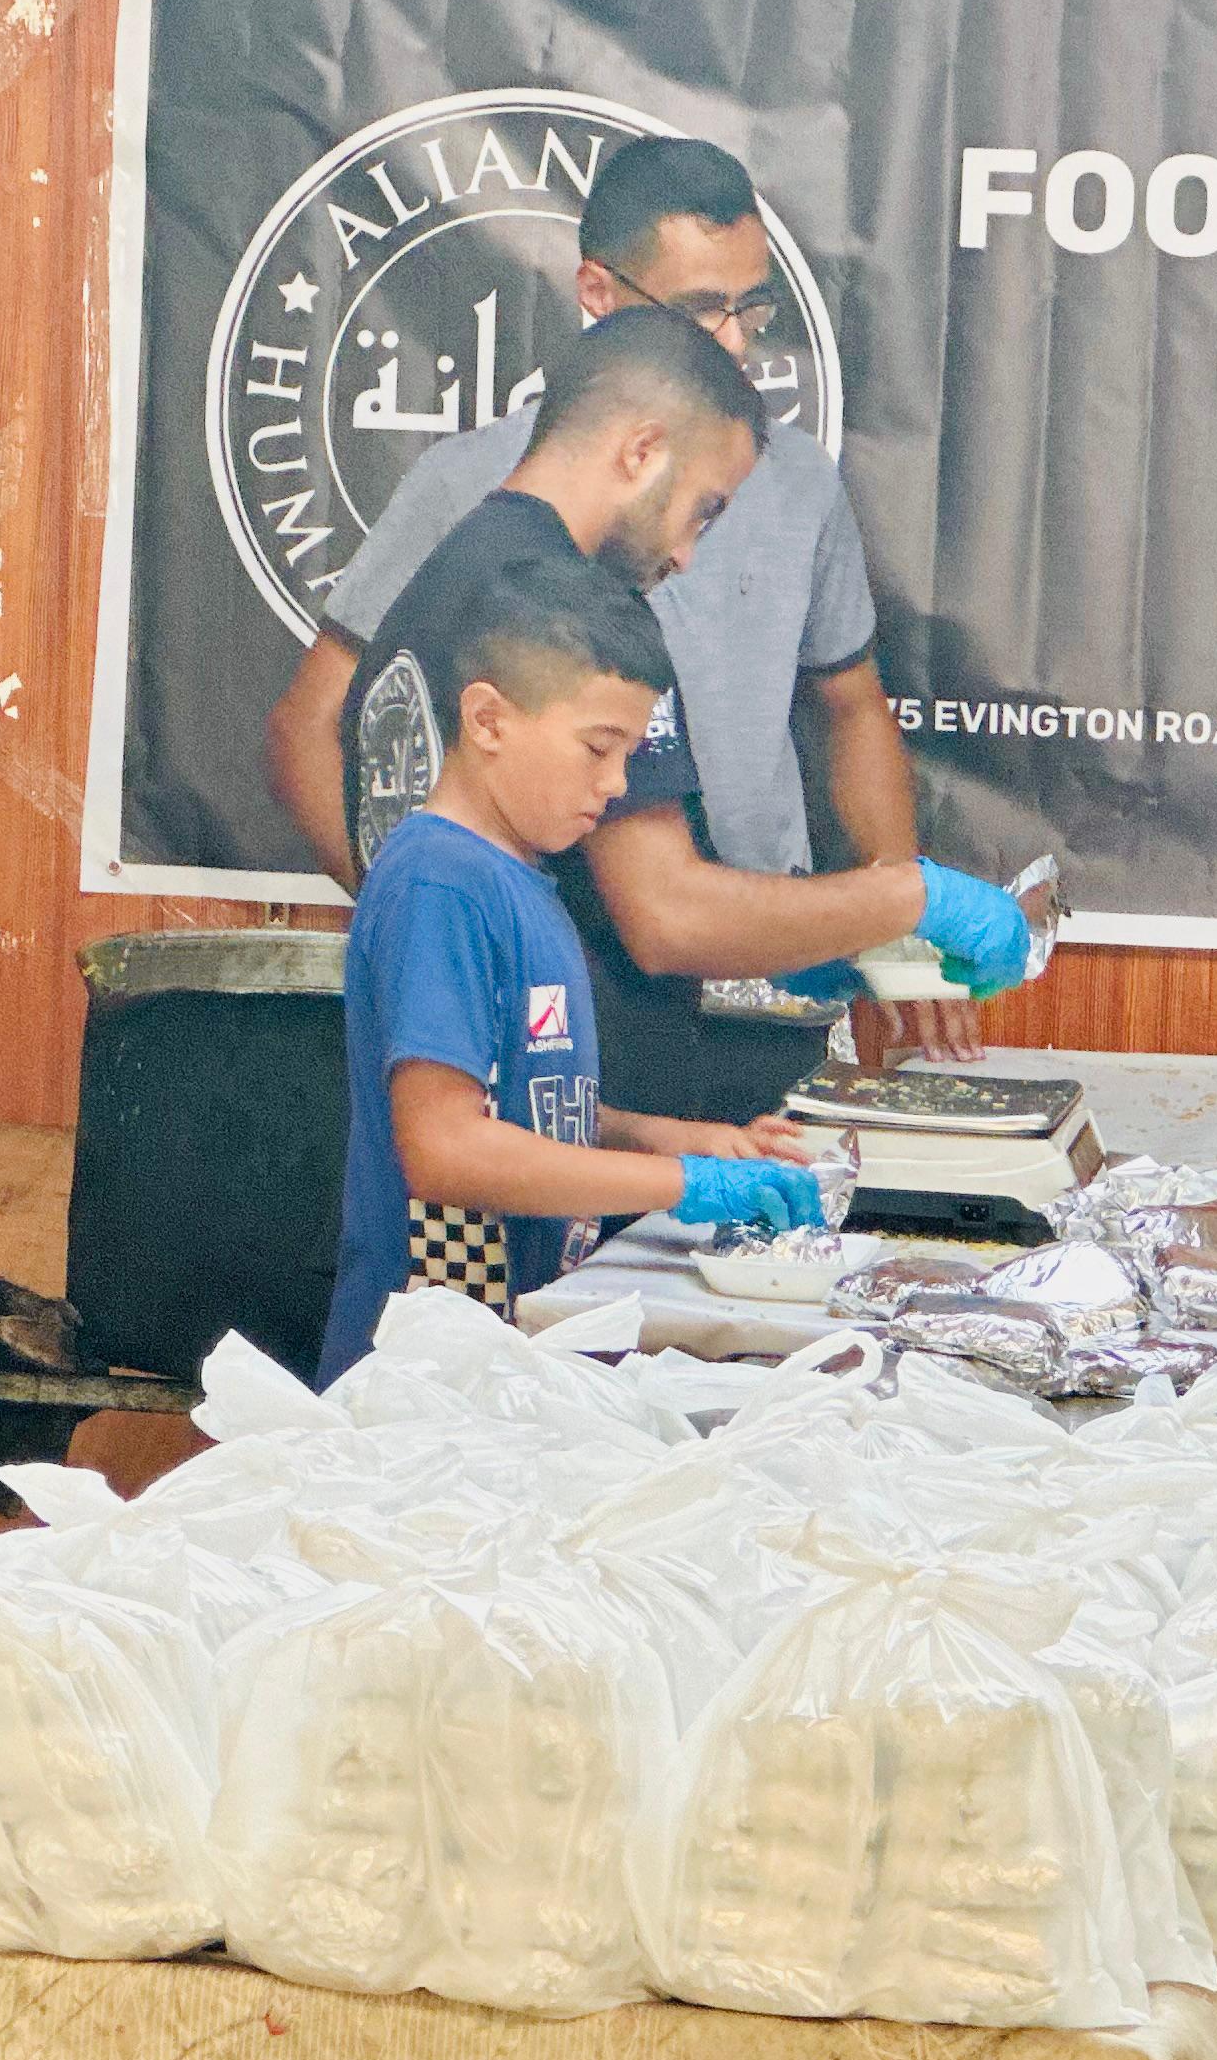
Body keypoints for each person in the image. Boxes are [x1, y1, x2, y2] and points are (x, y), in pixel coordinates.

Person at [270, 137, 1010, 1102]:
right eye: (703, 309)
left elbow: (851, 708)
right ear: (598, 292)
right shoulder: (564, 587)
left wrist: (861, 928)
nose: (737, 340)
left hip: (702, 1018)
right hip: (588, 1005)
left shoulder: (769, 489)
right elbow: (661, 913)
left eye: (754, 307)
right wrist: (909, 900)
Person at [319, 545, 832, 1380]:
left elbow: (531, 1113)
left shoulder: (526, 880)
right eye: (598, 748)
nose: (619, 782)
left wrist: (702, 1146)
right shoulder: (441, 882)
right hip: (426, 1374)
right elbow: (446, 1147)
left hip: (512, 1354)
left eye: (630, 752)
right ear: (487, 720)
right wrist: (675, 1183)